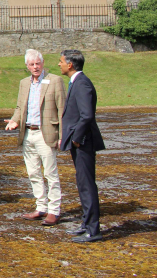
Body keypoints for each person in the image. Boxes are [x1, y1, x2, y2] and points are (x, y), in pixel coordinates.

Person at [5, 49, 65, 226]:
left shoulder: (55, 80)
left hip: (46, 133)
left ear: (43, 62)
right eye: (31, 64)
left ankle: (54, 210)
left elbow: (63, 110)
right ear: (27, 66)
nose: (35, 67)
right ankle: (41, 207)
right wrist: (14, 121)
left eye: (38, 63)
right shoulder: (24, 83)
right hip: (27, 133)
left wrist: (63, 136)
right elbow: (19, 107)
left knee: (50, 173)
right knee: (33, 173)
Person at [58, 49, 105, 243]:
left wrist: (76, 138)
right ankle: (86, 224)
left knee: (87, 185)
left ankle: (93, 230)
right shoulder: (76, 82)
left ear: (70, 64)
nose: (59, 64)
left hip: (84, 142)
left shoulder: (82, 83)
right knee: (82, 183)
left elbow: (87, 115)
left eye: (61, 61)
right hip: (78, 142)